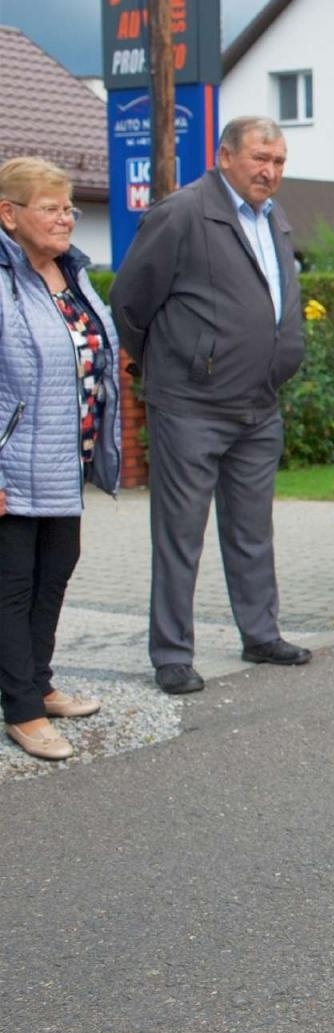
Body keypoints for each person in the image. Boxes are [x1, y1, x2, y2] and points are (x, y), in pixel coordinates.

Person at [111, 116, 310, 695]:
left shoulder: (273, 217)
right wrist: (170, 366)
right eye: (259, 158)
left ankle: (260, 633)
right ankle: (172, 653)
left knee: (252, 530)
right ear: (225, 156)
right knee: (181, 534)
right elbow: (129, 301)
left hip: (257, 403)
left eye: (278, 160)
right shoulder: (183, 212)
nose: (269, 171)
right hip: (192, 405)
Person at [0, 158, 121, 759]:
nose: (66, 219)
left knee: (56, 572)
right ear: (9, 213)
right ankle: (20, 709)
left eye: (68, 208)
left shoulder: (72, 275)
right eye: (50, 208)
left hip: (63, 460)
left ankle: (37, 684)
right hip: (13, 462)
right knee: (13, 586)